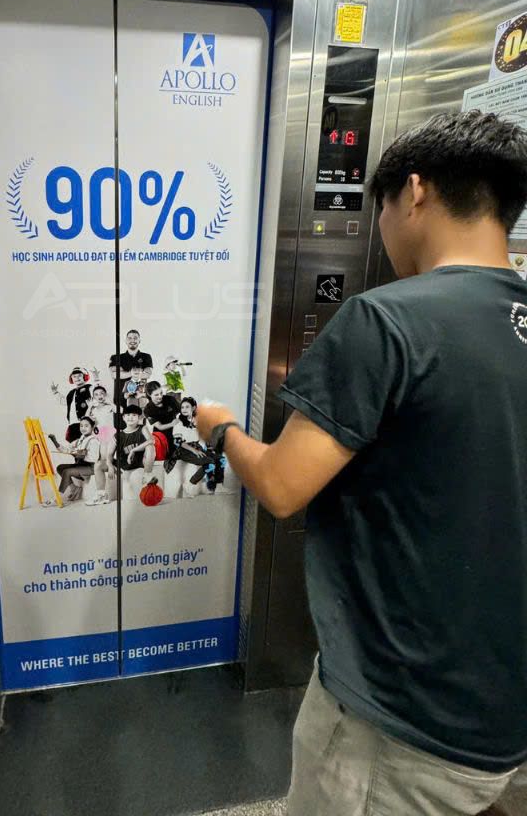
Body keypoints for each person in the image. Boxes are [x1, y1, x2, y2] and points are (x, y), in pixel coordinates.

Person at [196, 111, 527, 816]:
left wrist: (220, 429)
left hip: (404, 715)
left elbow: (282, 486)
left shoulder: (388, 321)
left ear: (414, 192)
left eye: (379, 207)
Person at [48, 416, 100, 502]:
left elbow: (94, 459)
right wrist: (54, 441)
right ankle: (74, 488)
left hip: (91, 467)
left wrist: (81, 455)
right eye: (81, 426)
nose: (83, 428)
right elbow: (66, 449)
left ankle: (57, 497)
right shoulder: (79, 440)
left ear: (92, 427)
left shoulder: (94, 441)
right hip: (81, 465)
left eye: (86, 426)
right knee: (60, 467)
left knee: (67, 472)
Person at [110, 404, 155, 500]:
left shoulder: (142, 428)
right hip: (123, 464)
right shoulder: (118, 435)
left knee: (150, 447)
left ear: (139, 418)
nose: (131, 417)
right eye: (128, 415)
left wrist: (134, 450)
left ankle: (147, 475)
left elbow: (151, 440)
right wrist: (110, 466)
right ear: (123, 417)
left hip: (138, 463)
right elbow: (109, 454)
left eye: (134, 415)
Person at [50, 366, 95, 442]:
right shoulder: (71, 393)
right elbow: (64, 401)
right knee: (74, 445)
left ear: (84, 376)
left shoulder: (89, 388)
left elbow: (98, 395)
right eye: (74, 376)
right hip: (72, 424)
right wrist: (56, 392)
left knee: (87, 443)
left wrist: (97, 379)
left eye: (79, 375)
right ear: (71, 379)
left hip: (85, 423)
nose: (77, 378)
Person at [108, 330, 152, 407]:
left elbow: (148, 374)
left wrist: (123, 371)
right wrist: (132, 373)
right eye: (130, 338)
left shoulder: (146, 357)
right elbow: (114, 375)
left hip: (140, 399)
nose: (132, 340)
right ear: (126, 341)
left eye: (135, 338)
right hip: (120, 400)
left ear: (139, 340)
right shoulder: (115, 357)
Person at [144, 381, 179, 458]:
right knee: (165, 456)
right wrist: (172, 424)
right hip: (160, 436)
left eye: (161, 393)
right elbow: (159, 426)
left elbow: (181, 412)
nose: (160, 396)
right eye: (156, 395)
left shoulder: (170, 399)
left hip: (175, 432)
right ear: (149, 395)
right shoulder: (148, 409)